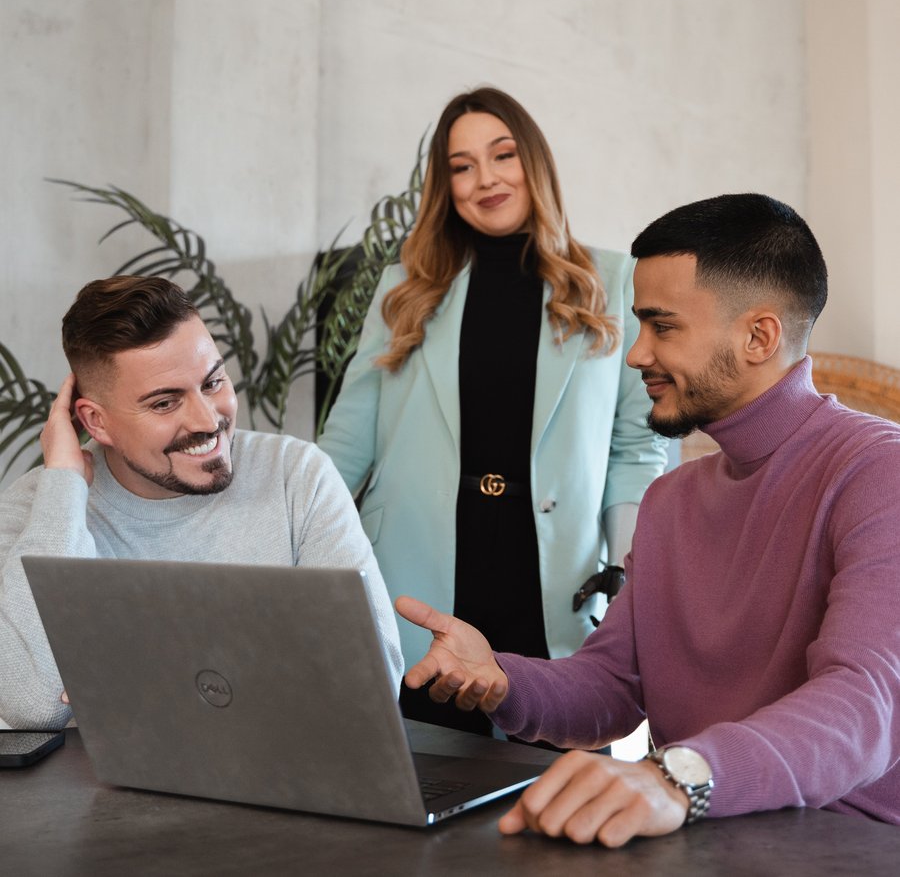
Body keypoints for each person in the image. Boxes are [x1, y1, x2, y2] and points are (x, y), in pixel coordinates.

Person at [395, 193, 900, 843]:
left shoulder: (879, 472)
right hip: (700, 836)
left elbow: (869, 704)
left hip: (845, 848)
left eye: (662, 327)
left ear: (759, 336)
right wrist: (501, 676)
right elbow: (612, 685)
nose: (636, 355)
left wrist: (678, 776)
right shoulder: (670, 501)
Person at [318, 87, 667, 735]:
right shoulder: (406, 287)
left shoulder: (615, 280)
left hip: (554, 575)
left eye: (502, 155)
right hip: (416, 572)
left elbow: (635, 447)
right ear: (445, 185)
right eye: (461, 165)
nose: (485, 179)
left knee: (549, 777)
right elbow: (349, 435)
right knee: (423, 773)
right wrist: (294, 545)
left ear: (534, 162)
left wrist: (630, 566)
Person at [0, 275, 402, 730]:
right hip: (102, 798)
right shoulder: (41, 506)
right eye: (165, 403)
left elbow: (371, 688)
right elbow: (33, 706)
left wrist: (133, 677)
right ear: (96, 422)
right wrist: (65, 488)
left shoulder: (298, 476)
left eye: (213, 383)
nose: (208, 420)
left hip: (281, 789)